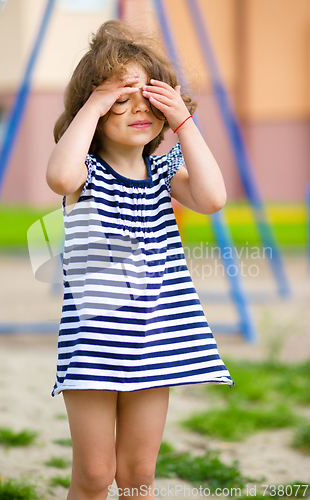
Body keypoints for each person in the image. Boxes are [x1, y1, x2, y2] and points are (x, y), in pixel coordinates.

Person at [46, 19, 233, 500]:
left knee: (137, 475)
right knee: (93, 474)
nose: (137, 110)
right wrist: (94, 100)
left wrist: (185, 123)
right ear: (97, 107)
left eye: (148, 100)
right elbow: (59, 177)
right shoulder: (86, 172)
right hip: (95, 343)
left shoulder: (163, 171)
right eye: (119, 101)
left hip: (159, 338)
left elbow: (212, 199)